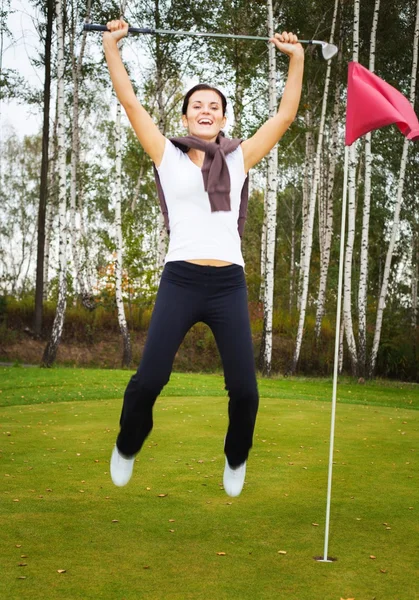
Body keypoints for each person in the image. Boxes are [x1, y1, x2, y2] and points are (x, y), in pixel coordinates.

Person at [103, 19, 304, 496]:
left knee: (246, 390)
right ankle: (128, 444)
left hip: (228, 284)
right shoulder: (166, 155)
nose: (206, 110)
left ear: (224, 118)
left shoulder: (239, 158)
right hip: (181, 281)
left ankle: (236, 457)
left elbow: (284, 118)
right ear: (187, 116)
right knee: (150, 378)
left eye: (214, 106)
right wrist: (112, 47)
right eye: (198, 105)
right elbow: (130, 101)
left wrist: (295, 59)